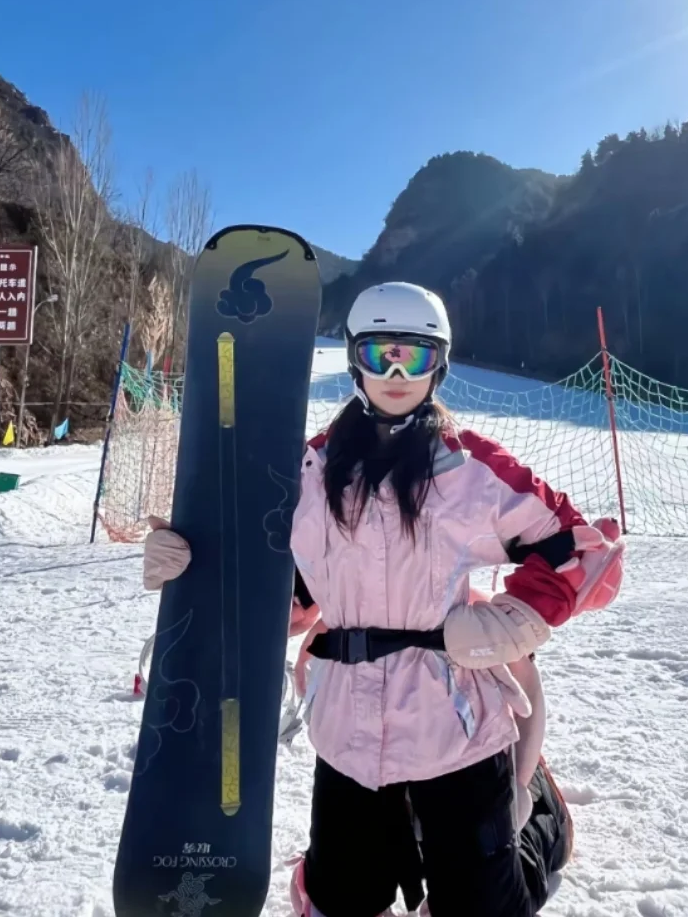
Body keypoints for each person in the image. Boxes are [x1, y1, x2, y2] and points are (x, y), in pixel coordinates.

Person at [144, 282, 624, 917]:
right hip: (346, 734)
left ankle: (537, 810)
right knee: (339, 904)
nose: (396, 374)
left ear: (440, 364)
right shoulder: (306, 474)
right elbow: (275, 587)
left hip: (452, 730)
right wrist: (190, 563)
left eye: (415, 357)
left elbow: (585, 548)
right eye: (379, 356)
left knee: (483, 906)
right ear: (353, 361)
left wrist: (519, 618)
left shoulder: (469, 470)